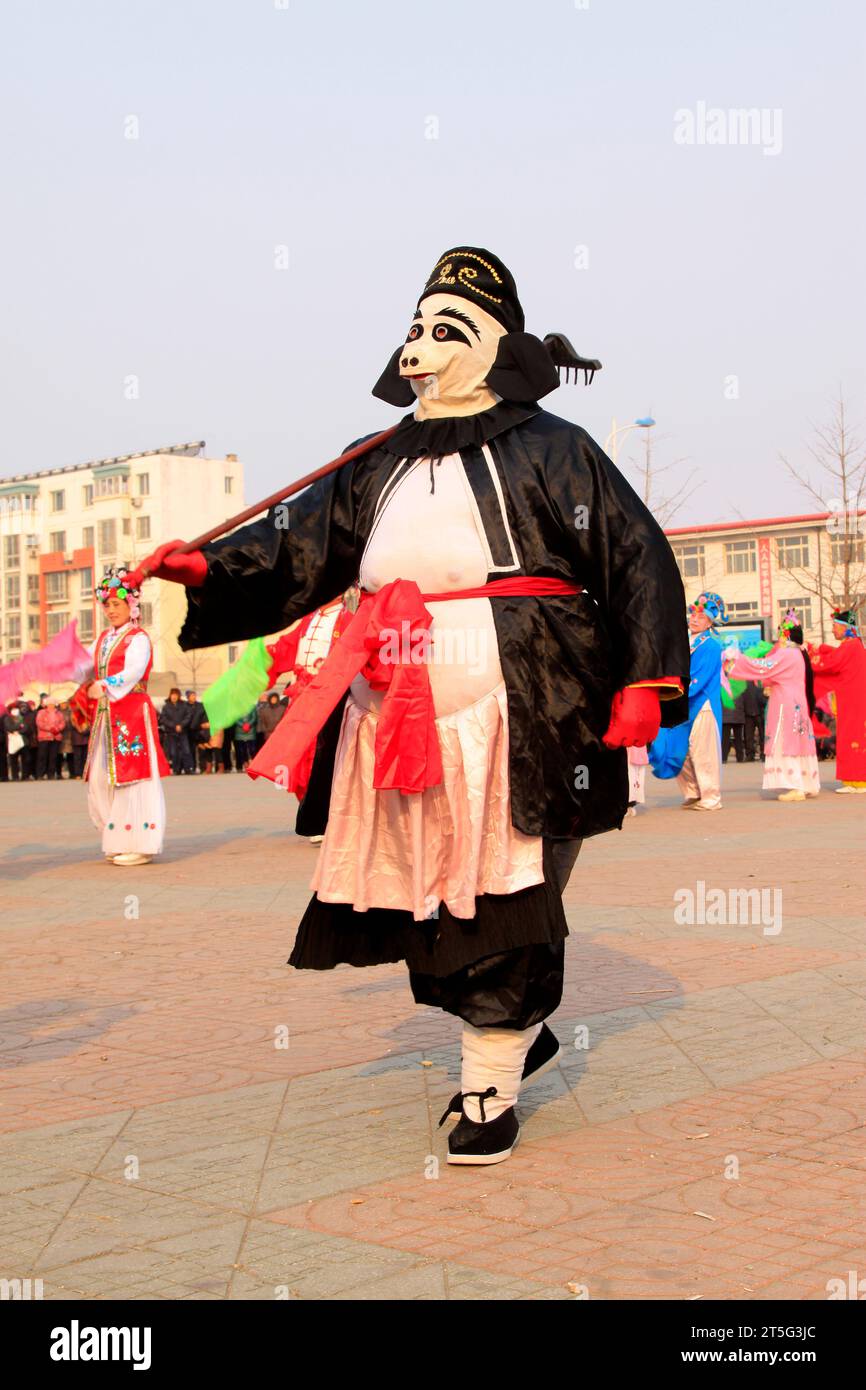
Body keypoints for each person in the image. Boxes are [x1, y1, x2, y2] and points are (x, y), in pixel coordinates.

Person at [130, 244, 688, 1164]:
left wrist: (642, 677)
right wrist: (207, 569)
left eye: (447, 330)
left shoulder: (556, 448)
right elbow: (297, 547)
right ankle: (503, 1039)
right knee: (428, 895)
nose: (422, 347)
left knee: (510, 893)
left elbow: (632, 554)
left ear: (492, 343)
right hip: (392, 711)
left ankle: (489, 1085)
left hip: (527, 709)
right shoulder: (376, 458)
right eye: (416, 330)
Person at [73, 565, 170, 865]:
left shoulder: (137, 638)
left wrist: (104, 684)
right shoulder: (102, 640)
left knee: (133, 778)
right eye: (107, 605)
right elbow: (81, 669)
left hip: (131, 715)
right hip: (107, 717)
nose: (111, 610)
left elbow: (134, 672)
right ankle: (115, 837)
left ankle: (140, 842)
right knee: (100, 779)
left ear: (131, 605)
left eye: (116, 604)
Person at [725, 610, 820, 801]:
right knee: (797, 741)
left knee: (787, 741)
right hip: (796, 702)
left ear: (785, 634)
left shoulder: (786, 654)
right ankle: (805, 783)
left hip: (786, 703)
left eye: (780, 632)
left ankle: (795, 785)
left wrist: (736, 659)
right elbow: (770, 674)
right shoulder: (798, 654)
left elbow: (762, 667)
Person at [649, 592, 725, 810]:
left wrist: (669, 693)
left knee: (703, 752)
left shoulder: (711, 645)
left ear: (710, 621)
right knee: (678, 749)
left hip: (702, 705)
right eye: (693, 614)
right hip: (683, 703)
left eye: (700, 617)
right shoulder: (687, 642)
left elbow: (698, 678)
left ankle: (711, 797)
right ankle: (693, 792)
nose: (694, 619)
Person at [811, 608, 866, 793]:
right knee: (849, 736)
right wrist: (822, 649)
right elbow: (836, 655)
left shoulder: (850, 646)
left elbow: (830, 662)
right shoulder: (853, 645)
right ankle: (852, 779)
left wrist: (810, 655)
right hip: (852, 699)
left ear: (845, 627)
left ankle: (858, 780)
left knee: (851, 737)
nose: (833, 630)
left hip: (853, 701)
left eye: (835, 626)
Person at [158, 688, 193, 774]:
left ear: (179, 696)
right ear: (170, 696)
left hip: (183, 731)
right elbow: (163, 719)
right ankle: (176, 769)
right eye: (172, 695)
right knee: (174, 752)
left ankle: (187, 768)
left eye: (176, 695)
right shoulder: (166, 707)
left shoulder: (184, 705)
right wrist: (174, 726)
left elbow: (188, 717)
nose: (174, 697)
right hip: (171, 732)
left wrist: (181, 725)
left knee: (186, 750)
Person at [35, 696, 65, 779]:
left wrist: (57, 728)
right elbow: (39, 723)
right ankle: (40, 774)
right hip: (44, 737)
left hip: (56, 737)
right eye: (49, 704)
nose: (51, 705)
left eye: (52, 704)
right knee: (42, 756)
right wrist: (49, 728)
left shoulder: (59, 713)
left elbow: (62, 723)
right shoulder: (41, 712)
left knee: (53, 756)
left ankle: (51, 773)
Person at [3, 700, 28, 781]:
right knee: (13, 759)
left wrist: (19, 731)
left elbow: (26, 728)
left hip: (22, 741)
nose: (15, 710)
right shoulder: (7, 718)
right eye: (13, 709)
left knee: (25, 759)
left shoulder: (22, 717)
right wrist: (19, 726)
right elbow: (9, 727)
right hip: (12, 742)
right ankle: (15, 776)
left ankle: (24, 776)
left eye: (16, 709)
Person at [721, 687, 746, 763]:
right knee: (738, 739)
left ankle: (724, 757)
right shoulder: (740, 690)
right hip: (738, 717)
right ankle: (740, 758)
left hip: (726, 717)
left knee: (725, 740)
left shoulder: (723, 690)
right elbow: (745, 702)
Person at [742, 679, 765, 761]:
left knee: (762, 736)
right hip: (749, 714)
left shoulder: (760, 682)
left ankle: (763, 754)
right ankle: (750, 755)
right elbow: (742, 697)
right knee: (749, 736)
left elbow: (765, 696)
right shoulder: (745, 682)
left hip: (759, 713)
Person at [185, 690, 207, 771]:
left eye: (194, 695)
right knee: (191, 750)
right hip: (189, 731)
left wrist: (203, 725)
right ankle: (192, 767)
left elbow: (204, 716)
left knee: (202, 750)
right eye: (191, 695)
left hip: (199, 731)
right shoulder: (185, 706)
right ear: (188, 697)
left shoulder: (200, 706)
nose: (193, 697)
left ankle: (203, 768)